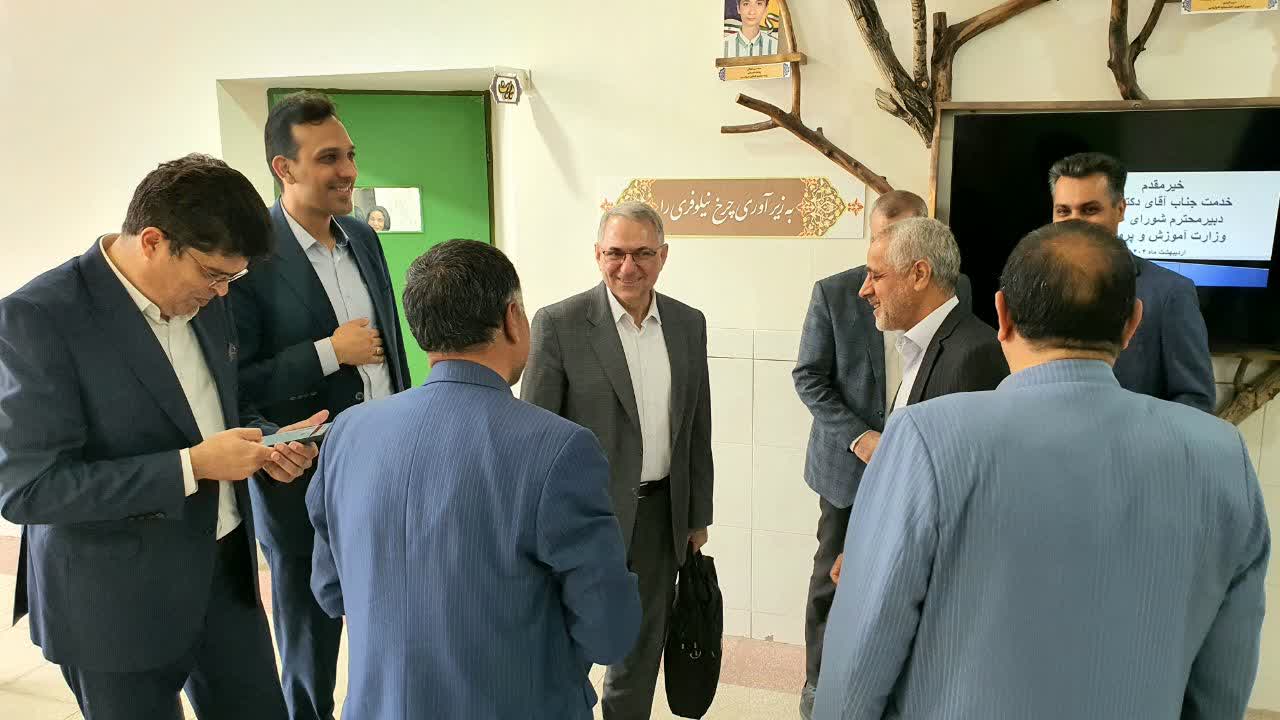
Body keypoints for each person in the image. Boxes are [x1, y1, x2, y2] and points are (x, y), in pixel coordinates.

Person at [814, 220, 1269, 720]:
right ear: (1132, 324)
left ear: (1003, 314)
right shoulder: (1221, 457)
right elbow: (1223, 682)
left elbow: (861, 654)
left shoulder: (923, 439)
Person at [0, 154, 323, 720]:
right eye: (213, 275)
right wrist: (191, 466)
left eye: (232, 279)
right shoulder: (39, 318)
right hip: (115, 604)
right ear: (152, 241)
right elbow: (29, 490)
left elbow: (215, 406)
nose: (221, 293)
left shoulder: (206, 299)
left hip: (225, 580)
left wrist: (268, 442)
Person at [306, 239, 641, 719]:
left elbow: (329, 589)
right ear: (512, 318)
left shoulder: (347, 433)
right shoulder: (560, 448)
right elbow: (608, 631)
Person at [228, 91, 412, 720]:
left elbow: (389, 348)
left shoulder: (361, 237)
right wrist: (328, 352)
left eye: (350, 155)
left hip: (384, 464)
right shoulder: (248, 257)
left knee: (391, 611)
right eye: (329, 158)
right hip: (301, 473)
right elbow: (236, 382)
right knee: (310, 630)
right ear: (284, 168)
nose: (349, 172)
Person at [521, 201, 713, 720]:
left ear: (663, 256)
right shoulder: (559, 324)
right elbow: (533, 434)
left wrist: (697, 515)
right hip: (580, 517)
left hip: (660, 517)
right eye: (616, 253)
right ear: (597, 255)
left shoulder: (688, 324)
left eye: (643, 253)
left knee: (640, 650)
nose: (628, 267)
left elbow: (696, 426)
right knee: (567, 646)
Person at [792, 191, 974, 719]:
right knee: (832, 579)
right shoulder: (835, 292)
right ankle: (817, 686)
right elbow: (808, 376)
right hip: (848, 469)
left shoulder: (956, 290)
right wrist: (861, 438)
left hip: (917, 473)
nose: (886, 250)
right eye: (879, 238)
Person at [1049, 151, 1215, 412]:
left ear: (1120, 210)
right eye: (1064, 211)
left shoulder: (1170, 293)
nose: (1075, 222)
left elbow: (1196, 403)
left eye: (1090, 210)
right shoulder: (1036, 285)